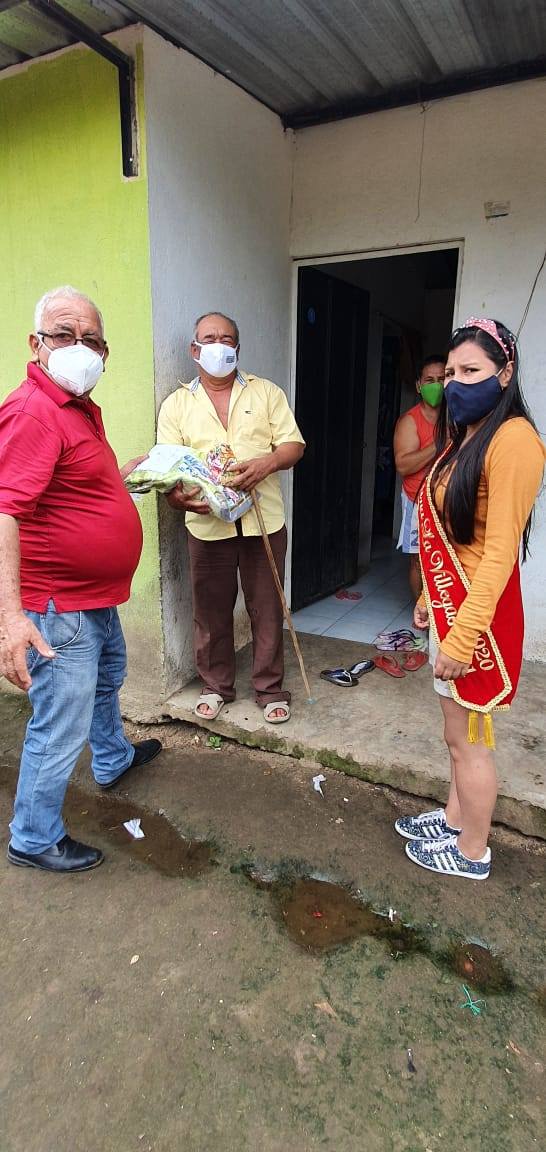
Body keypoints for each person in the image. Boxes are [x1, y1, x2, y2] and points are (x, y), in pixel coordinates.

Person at [0, 287, 162, 874]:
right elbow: (5, 510)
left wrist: (121, 477)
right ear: (36, 344)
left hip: (92, 597)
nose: (80, 347)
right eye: (64, 335)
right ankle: (33, 837)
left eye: (91, 339)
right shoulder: (33, 411)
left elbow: (65, 487)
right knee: (59, 724)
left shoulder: (76, 408)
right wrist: (10, 617)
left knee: (106, 680)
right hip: (57, 604)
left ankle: (113, 758)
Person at [395, 318, 544, 880]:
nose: (455, 383)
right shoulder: (468, 436)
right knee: (455, 737)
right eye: (450, 372)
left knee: (471, 743)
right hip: (453, 607)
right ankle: (455, 819)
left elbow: (499, 553)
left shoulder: (515, 441)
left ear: (505, 373)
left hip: (479, 623)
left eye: (471, 370)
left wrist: (462, 636)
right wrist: (430, 601)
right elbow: (456, 538)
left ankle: (473, 851)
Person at [157, 311, 305, 724]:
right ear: (195, 349)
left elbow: (294, 445)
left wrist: (267, 463)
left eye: (226, 339)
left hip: (263, 521)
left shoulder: (266, 393)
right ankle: (216, 685)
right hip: (207, 523)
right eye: (210, 338)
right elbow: (168, 463)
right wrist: (175, 497)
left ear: (237, 348)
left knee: (267, 608)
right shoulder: (177, 404)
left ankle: (269, 688)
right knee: (211, 611)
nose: (218, 345)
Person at [394, 354, 446, 598]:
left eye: (441, 379)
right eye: (429, 380)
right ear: (418, 385)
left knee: (445, 560)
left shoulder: (457, 416)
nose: (436, 385)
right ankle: (421, 610)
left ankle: (439, 611)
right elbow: (403, 465)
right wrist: (440, 443)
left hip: (447, 500)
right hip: (417, 501)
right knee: (419, 560)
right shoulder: (410, 421)